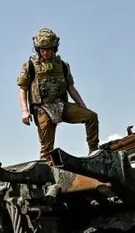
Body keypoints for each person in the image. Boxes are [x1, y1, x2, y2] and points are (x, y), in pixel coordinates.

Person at [17, 28, 99, 162]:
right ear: (37, 49)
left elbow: (71, 88)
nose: (45, 52)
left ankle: (94, 151)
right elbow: (23, 89)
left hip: (62, 106)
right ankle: (46, 172)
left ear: (54, 48)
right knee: (47, 148)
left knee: (91, 116)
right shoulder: (30, 65)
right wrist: (25, 111)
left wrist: (82, 105)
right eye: (42, 49)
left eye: (48, 49)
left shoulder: (63, 65)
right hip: (43, 108)